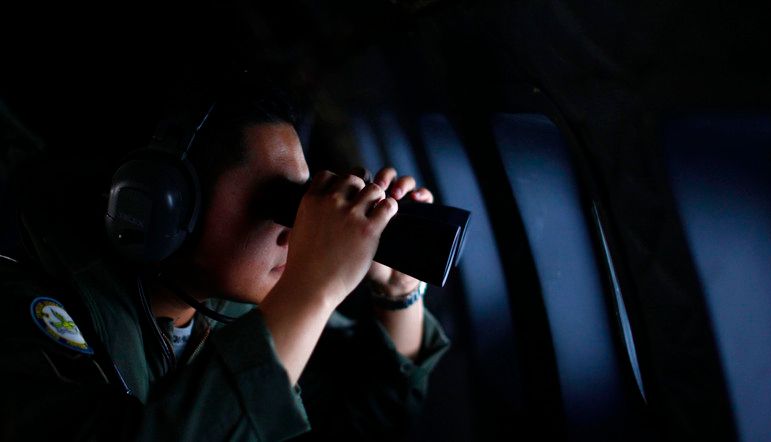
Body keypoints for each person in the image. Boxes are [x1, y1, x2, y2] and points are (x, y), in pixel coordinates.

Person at [0, 89, 450, 440]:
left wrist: (398, 293)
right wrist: (312, 289)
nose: (298, 231)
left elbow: (360, 425)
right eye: (274, 201)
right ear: (163, 203)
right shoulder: (26, 315)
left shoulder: (229, 310)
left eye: (300, 202)